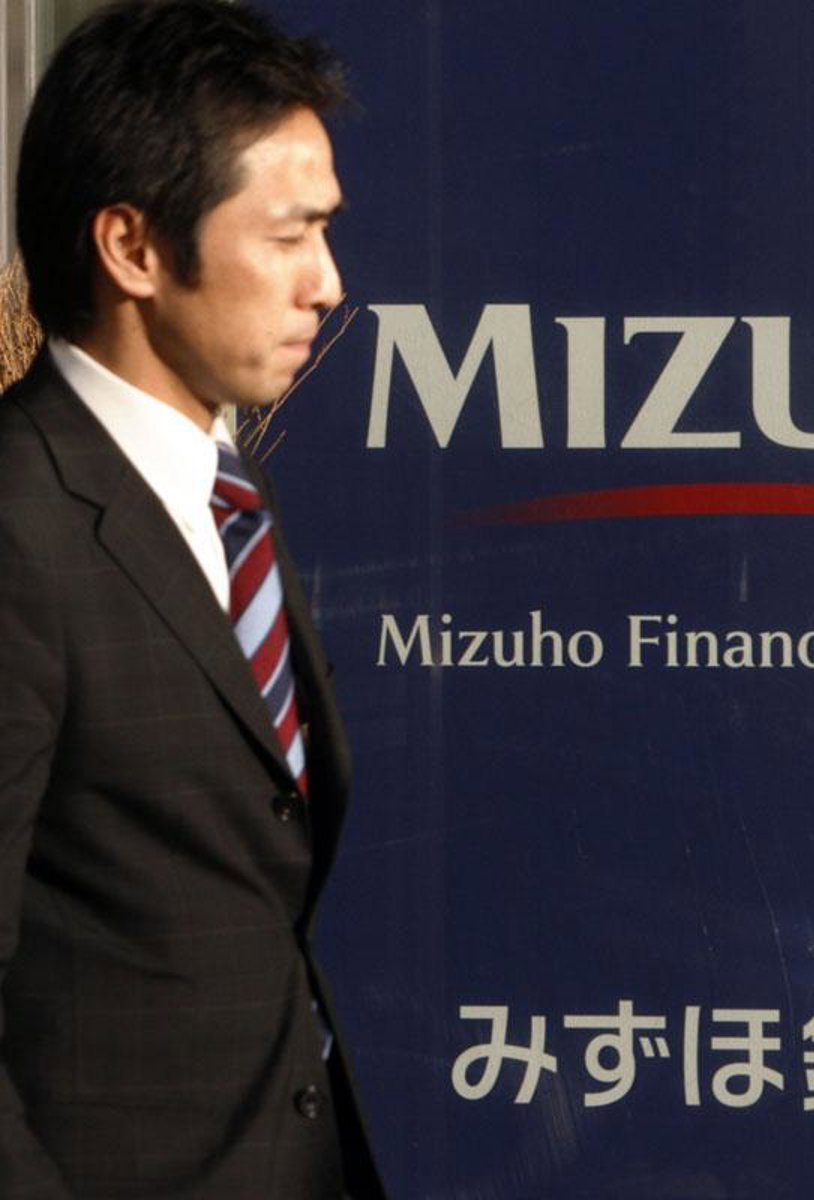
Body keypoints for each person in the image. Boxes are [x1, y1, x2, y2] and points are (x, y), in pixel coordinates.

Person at [0, 2, 386, 1196]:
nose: (327, 284)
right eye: (290, 235)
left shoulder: (224, 489)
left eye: (328, 231)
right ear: (132, 247)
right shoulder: (20, 523)